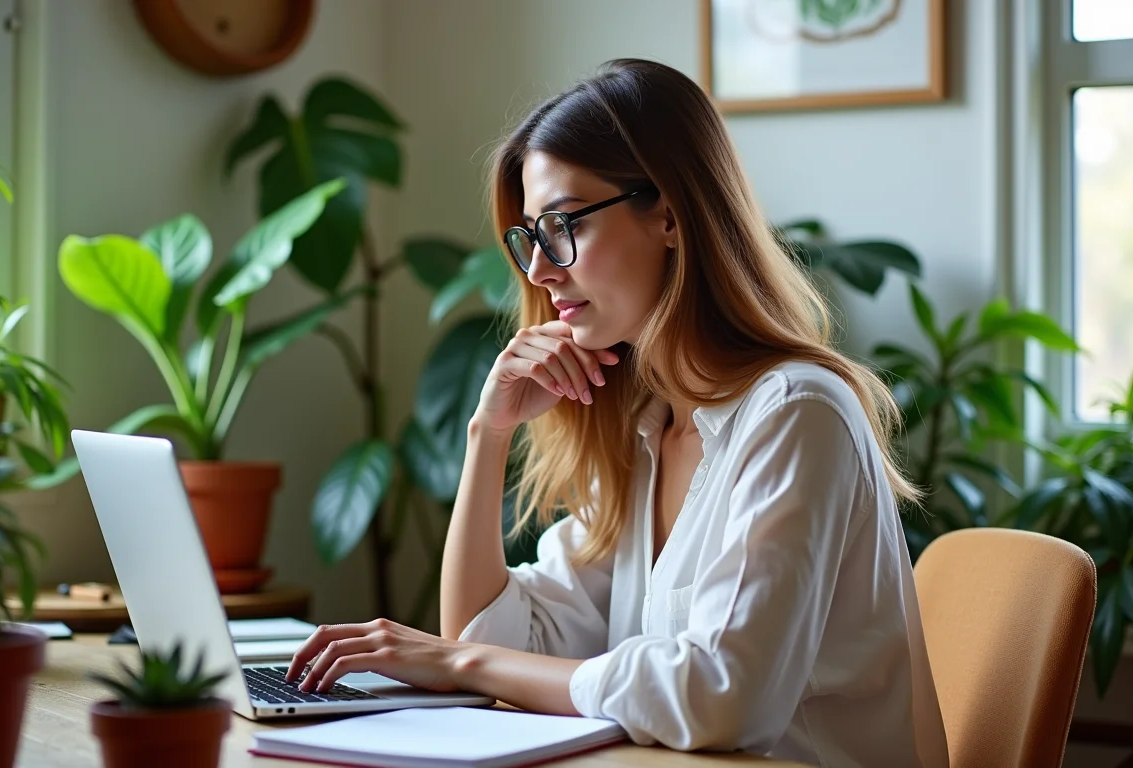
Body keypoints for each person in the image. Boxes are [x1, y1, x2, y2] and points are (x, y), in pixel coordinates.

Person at [286, 58, 949, 767]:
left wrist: (460, 665)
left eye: (563, 224)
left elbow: (719, 699)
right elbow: (496, 637)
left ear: (667, 213)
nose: (539, 271)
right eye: (531, 238)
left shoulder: (797, 412)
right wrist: (489, 433)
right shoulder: (649, 430)